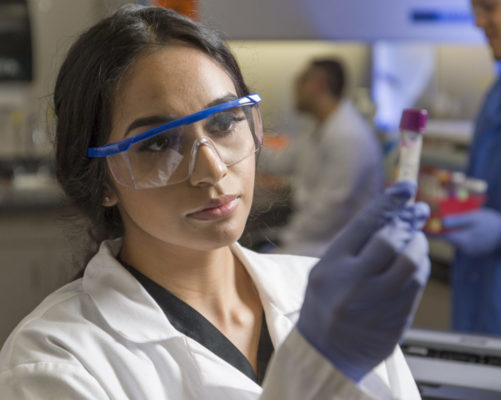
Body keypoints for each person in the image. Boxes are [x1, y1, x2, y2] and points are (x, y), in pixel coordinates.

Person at [0, 5, 430, 399]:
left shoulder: (329, 301)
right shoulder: (54, 361)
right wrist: (319, 365)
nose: (212, 169)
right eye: (157, 143)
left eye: (224, 122)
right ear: (103, 180)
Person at [258, 58, 384, 257]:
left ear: (319, 85)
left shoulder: (349, 136)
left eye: (300, 81)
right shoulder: (316, 127)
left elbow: (328, 210)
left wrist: (287, 239)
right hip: (313, 237)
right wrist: (244, 141)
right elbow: (279, 161)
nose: (295, 88)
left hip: (337, 245)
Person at [440, 0, 501, 334]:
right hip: (480, 296)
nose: (479, 23)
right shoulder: (495, 92)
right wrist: (454, 198)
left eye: (489, 8)